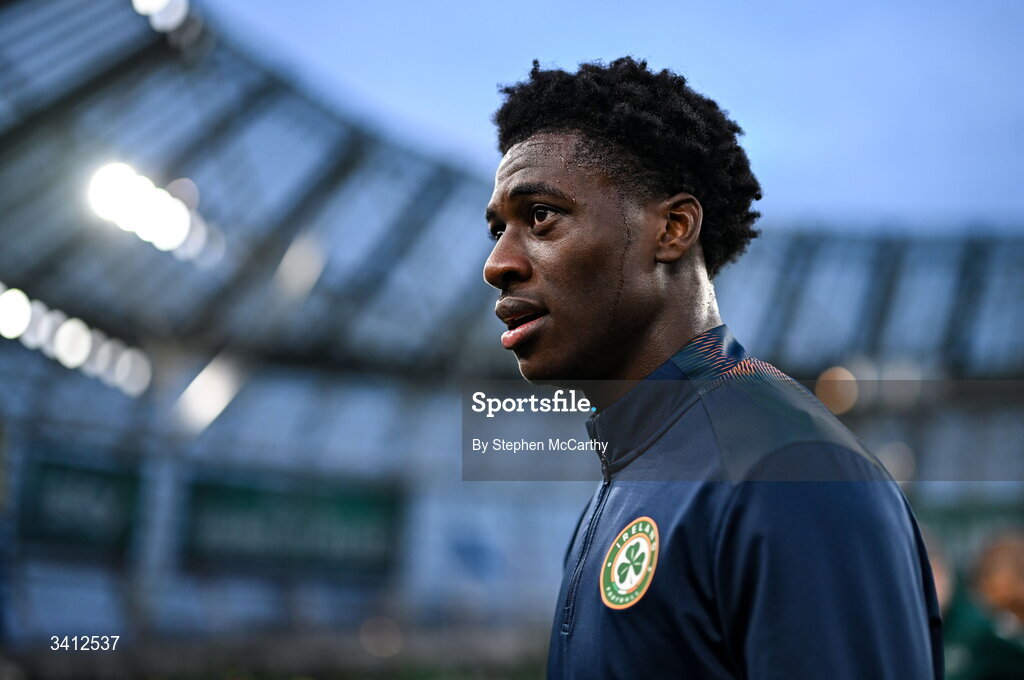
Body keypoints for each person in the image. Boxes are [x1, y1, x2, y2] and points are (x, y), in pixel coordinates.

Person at [482, 57, 943, 679]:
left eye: (540, 216)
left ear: (672, 229)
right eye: (497, 229)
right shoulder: (632, 470)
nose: (498, 263)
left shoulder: (791, 469)